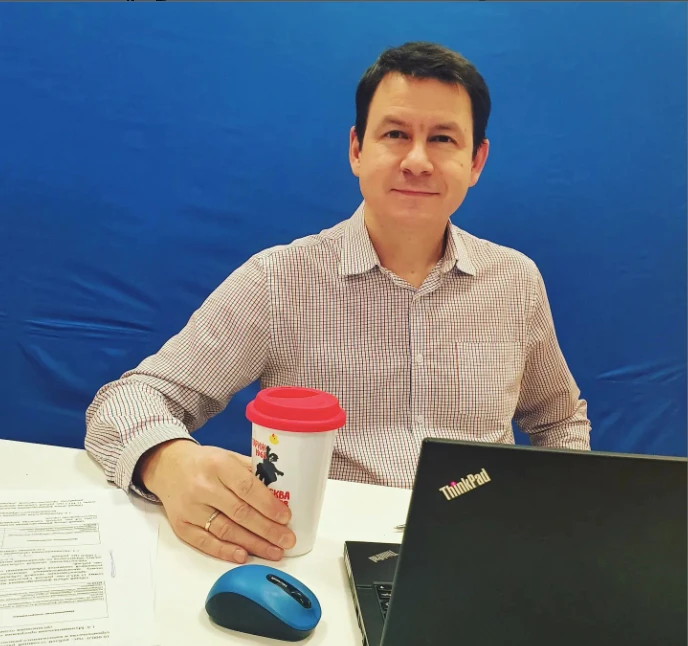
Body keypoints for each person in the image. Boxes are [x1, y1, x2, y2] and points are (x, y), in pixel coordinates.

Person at [85, 41, 591, 566]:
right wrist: (166, 462)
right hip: (321, 558)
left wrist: (563, 524)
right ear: (357, 149)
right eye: (395, 134)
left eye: (442, 139)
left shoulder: (515, 282)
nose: (417, 161)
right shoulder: (279, 282)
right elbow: (125, 402)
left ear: (476, 160)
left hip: (480, 555)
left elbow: (559, 422)